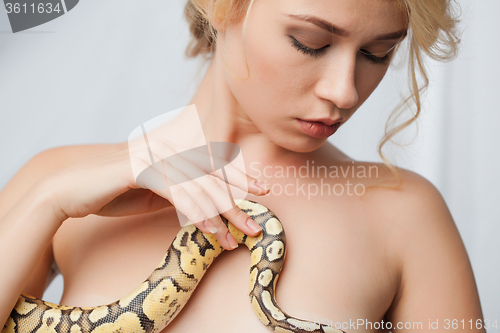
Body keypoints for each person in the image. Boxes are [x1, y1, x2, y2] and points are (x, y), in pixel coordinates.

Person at [0, 0, 486, 332]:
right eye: (309, 42)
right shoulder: (58, 183)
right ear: (225, 7)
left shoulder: (405, 214)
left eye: (377, 53)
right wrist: (48, 201)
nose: (345, 92)